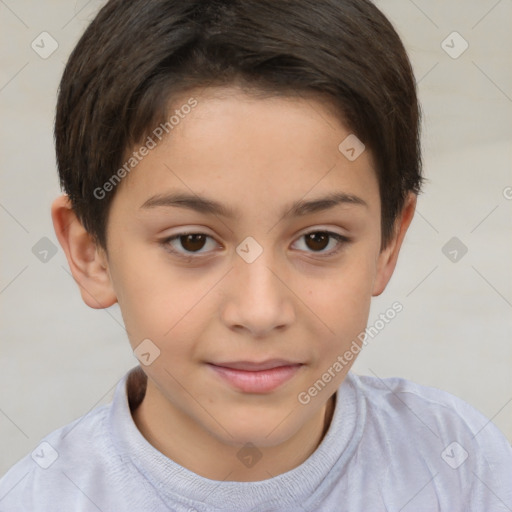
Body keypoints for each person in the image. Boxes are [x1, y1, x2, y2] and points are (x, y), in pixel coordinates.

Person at [1, 0, 511, 510]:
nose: (261, 311)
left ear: (387, 243)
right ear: (91, 253)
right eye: (192, 241)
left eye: (318, 240)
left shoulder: (459, 466)